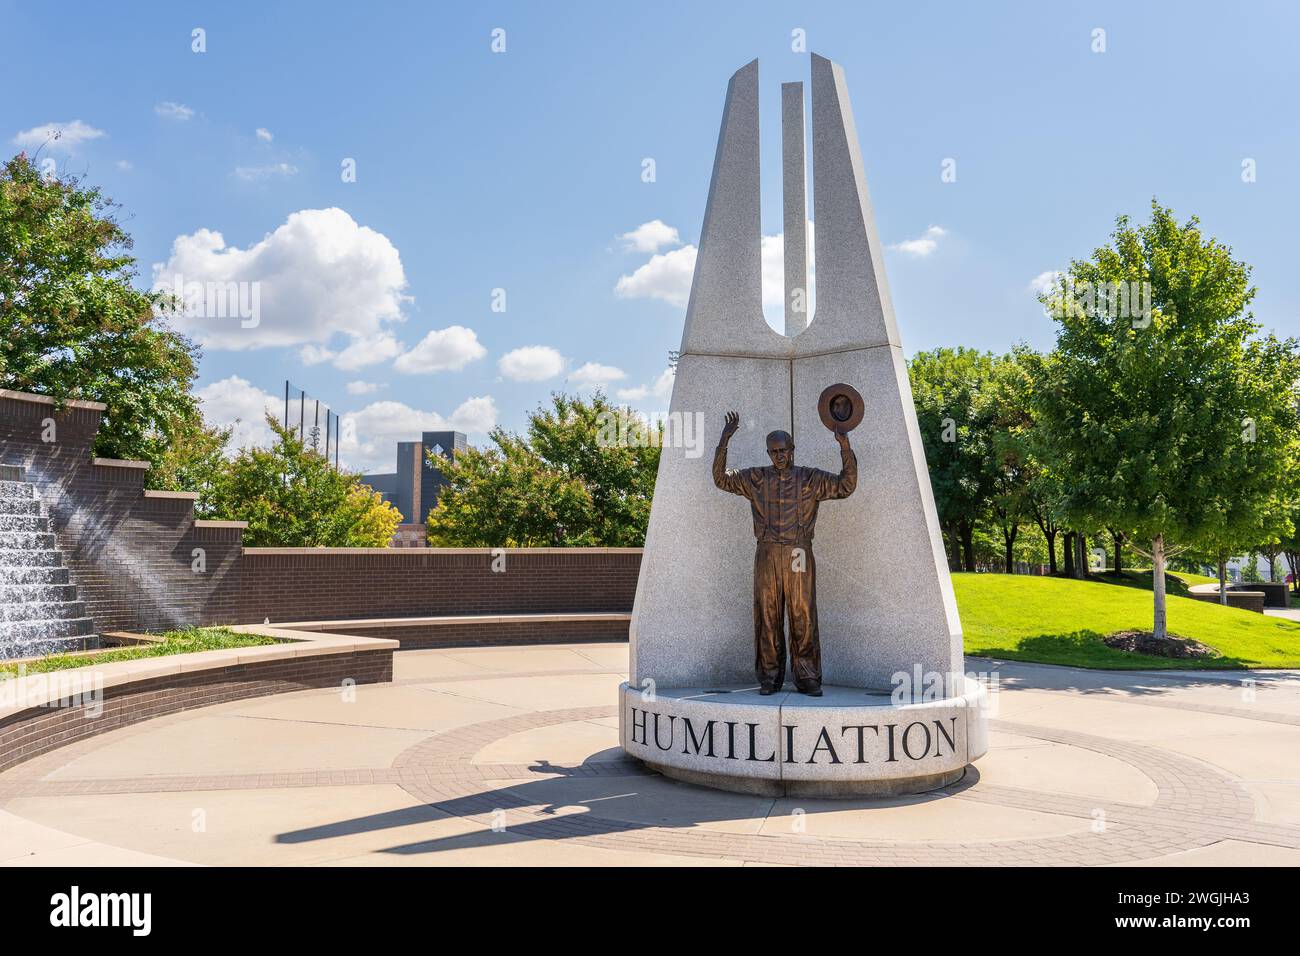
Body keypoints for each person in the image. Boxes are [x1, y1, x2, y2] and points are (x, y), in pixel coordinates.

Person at [712, 411, 857, 696]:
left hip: (798, 552)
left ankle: (808, 676)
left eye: (784, 451)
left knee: (802, 612)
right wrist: (724, 440)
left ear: (792, 450)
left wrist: (844, 446)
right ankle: (769, 676)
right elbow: (721, 479)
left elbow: (846, 485)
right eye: (774, 452)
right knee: (767, 613)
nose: (779, 456)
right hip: (766, 553)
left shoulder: (810, 478)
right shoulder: (756, 478)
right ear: (768, 453)